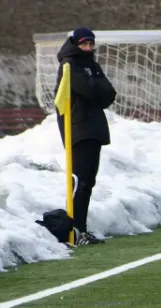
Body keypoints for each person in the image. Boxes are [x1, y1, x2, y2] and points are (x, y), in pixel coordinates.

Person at [55, 27, 117, 246]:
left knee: (88, 182)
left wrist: (96, 87)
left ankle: (82, 229)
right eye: (84, 44)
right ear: (75, 44)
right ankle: (73, 231)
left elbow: (109, 94)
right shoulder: (69, 65)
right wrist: (96, 87)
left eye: (91, 44)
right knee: (79, 182)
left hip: (94, 129)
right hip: (78, 129)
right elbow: (91, 91)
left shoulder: (92, 65)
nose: (88, 48)